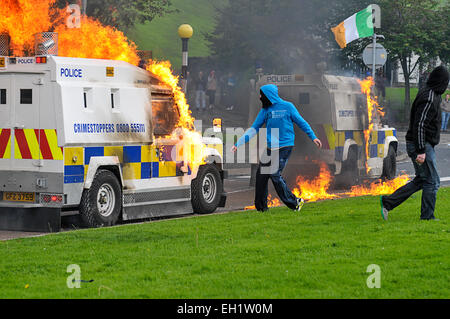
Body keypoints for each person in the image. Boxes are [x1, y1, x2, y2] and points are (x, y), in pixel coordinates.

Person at [231, 84, 322, 212]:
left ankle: (295, 202)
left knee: (274, 174)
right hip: (271, 148)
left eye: (261, 95)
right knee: (261, 175)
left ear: (269, 95)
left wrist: (313, 137)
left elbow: (301, 122)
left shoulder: (288, 107)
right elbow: (254, 129)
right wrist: (238, 143)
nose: (259, 97)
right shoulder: (265, 111)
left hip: (285, 146)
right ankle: (261, 208)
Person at [380, 65, 450, 221]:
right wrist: (420, 150)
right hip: (421, 144)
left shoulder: (431, 93)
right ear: (441, 81)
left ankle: (388, 202)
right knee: (432, 181)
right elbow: (420, 124)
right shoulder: (429, 97)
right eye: (446, 81)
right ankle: (427, 217)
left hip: (421, 144)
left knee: (422, 180)